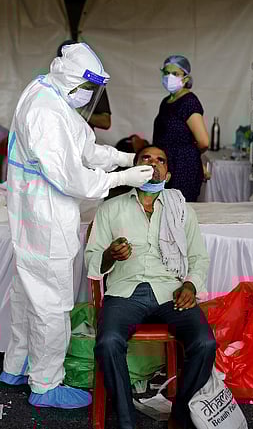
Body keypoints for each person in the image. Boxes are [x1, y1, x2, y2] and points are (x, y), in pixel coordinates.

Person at [0, 42, 155, 409]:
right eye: (88, 89)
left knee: (28, 294)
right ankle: (46, 385)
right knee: (52, 301)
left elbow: (83, 147)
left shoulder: (48, 91)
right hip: (45, 216)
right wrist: (124, 178)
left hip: (33, 213)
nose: (89, 97)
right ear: (74, 82)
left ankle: (16, 365)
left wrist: (123, 157)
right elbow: (74, 177)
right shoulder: (44, 110)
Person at [85, 146, 216, 429]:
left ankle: (179, 417)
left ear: (167, 174)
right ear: (133, 169)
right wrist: (109, 254)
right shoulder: (110, 208)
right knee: (108, 343)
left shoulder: (181, 210)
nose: (153, 164)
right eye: (146, 158)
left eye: (160, 160)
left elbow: (198, 257)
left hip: (171, 291)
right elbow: (91, 258)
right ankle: (126, 422)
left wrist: (191, 286)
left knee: (205, 343)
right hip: (124, 292)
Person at [153, 55, 210, 202]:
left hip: (183, 167)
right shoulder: (166, 102)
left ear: (185, 78)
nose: (169, 77)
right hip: (167, 165)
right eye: (166, 72)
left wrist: (190, 155)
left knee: (179, 211)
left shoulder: (189, 102)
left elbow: (203, 142)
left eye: (175, 74)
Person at [58, 39, 112, 131]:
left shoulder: (92, 83)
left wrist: (78, 111)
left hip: (84, 140)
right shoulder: (51, 82)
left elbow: (105, 122)